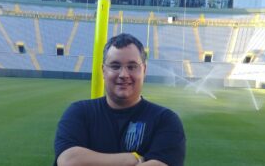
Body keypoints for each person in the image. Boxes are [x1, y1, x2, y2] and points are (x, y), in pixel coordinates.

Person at [53, 33, 186, 166]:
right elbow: (68, 161)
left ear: (144, 70)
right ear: (103, 70)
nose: (123, 74)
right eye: (115, 66)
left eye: (132, 66)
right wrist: (133, 159)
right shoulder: (79, 112)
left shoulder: (165, 120)